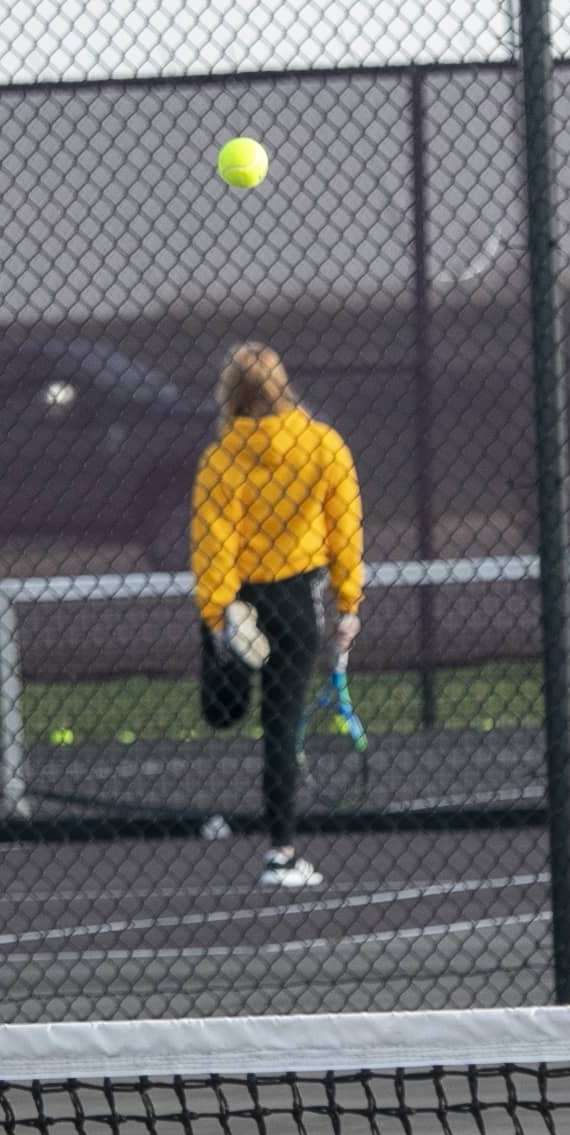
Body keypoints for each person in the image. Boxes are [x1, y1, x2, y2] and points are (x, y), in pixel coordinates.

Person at [191, 343, 364, 888]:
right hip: (295, 599)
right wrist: (347, 604)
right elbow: (345, 530)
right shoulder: (322, 445)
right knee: (281, 726)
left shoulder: (221, 458)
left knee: (223, 710)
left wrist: (219, 614)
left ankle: (232, 661)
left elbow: (212, 541)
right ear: (283, 385)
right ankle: (282, 853)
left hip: (242, 596)